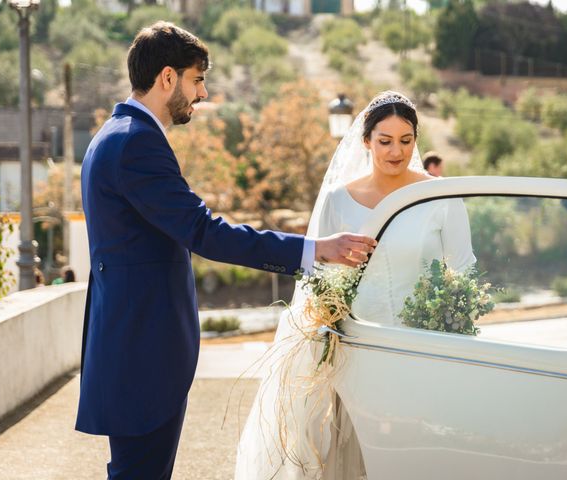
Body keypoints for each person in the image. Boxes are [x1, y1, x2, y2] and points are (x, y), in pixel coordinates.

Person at [75, 21, 377, 479]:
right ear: (168, 78)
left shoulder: (114, 134)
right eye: (198, 80)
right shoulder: (135, 143)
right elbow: (204, 232)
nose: (202, 94)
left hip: (129, 345)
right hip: (143, 352)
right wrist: (315, 250)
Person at [236, 91, 475, 479]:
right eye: (384, 141)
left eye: (405, 140)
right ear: (366, 141)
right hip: (355, 352)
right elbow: (320, 282)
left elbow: (462, 273)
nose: (395, 151)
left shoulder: (441, 198)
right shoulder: (337, 201)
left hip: (422, 351)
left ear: (416, 140)